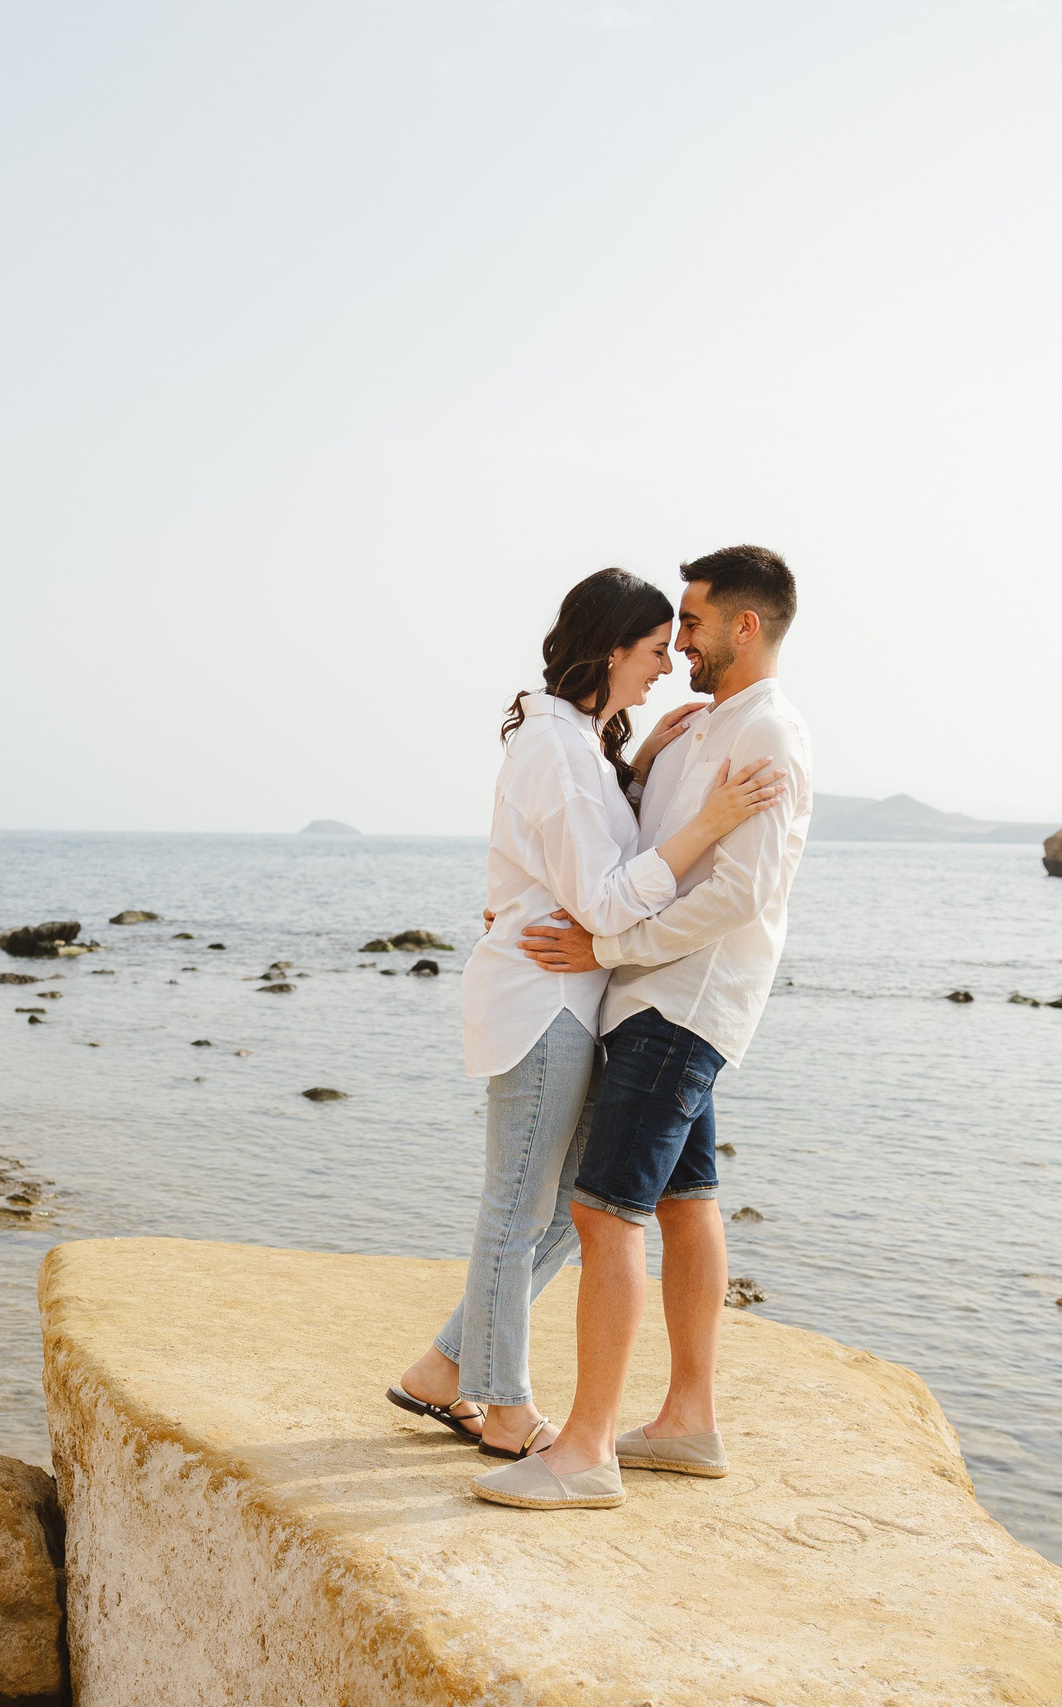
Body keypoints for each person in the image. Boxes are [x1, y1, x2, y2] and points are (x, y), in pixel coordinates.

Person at [386, 567, 785, 1461]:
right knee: (522, 1211)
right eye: (653, 647)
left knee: (560, 1210)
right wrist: (709, 817)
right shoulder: (558, 748)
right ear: (612, 649)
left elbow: (591, 849)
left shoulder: (577, 741)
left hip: (571, 1000)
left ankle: (446, 1368)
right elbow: (606, 900)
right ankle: (505, 1407)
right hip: (546, 999)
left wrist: (637, 765)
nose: (664, 664)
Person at [472, 544, 812, 1511]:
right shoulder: (704, 727)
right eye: (668, 634)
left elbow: (744, 893)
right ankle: (688, 1420)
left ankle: (583, 1451)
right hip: (649, 995)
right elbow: (617, 841)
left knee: (600, 1209)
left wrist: (610, 952)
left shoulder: (771, 736)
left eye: (692, 625)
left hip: (678, 1002)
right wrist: (647, 758)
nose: (681, 647)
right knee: (684, 1198)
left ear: (744, 627)